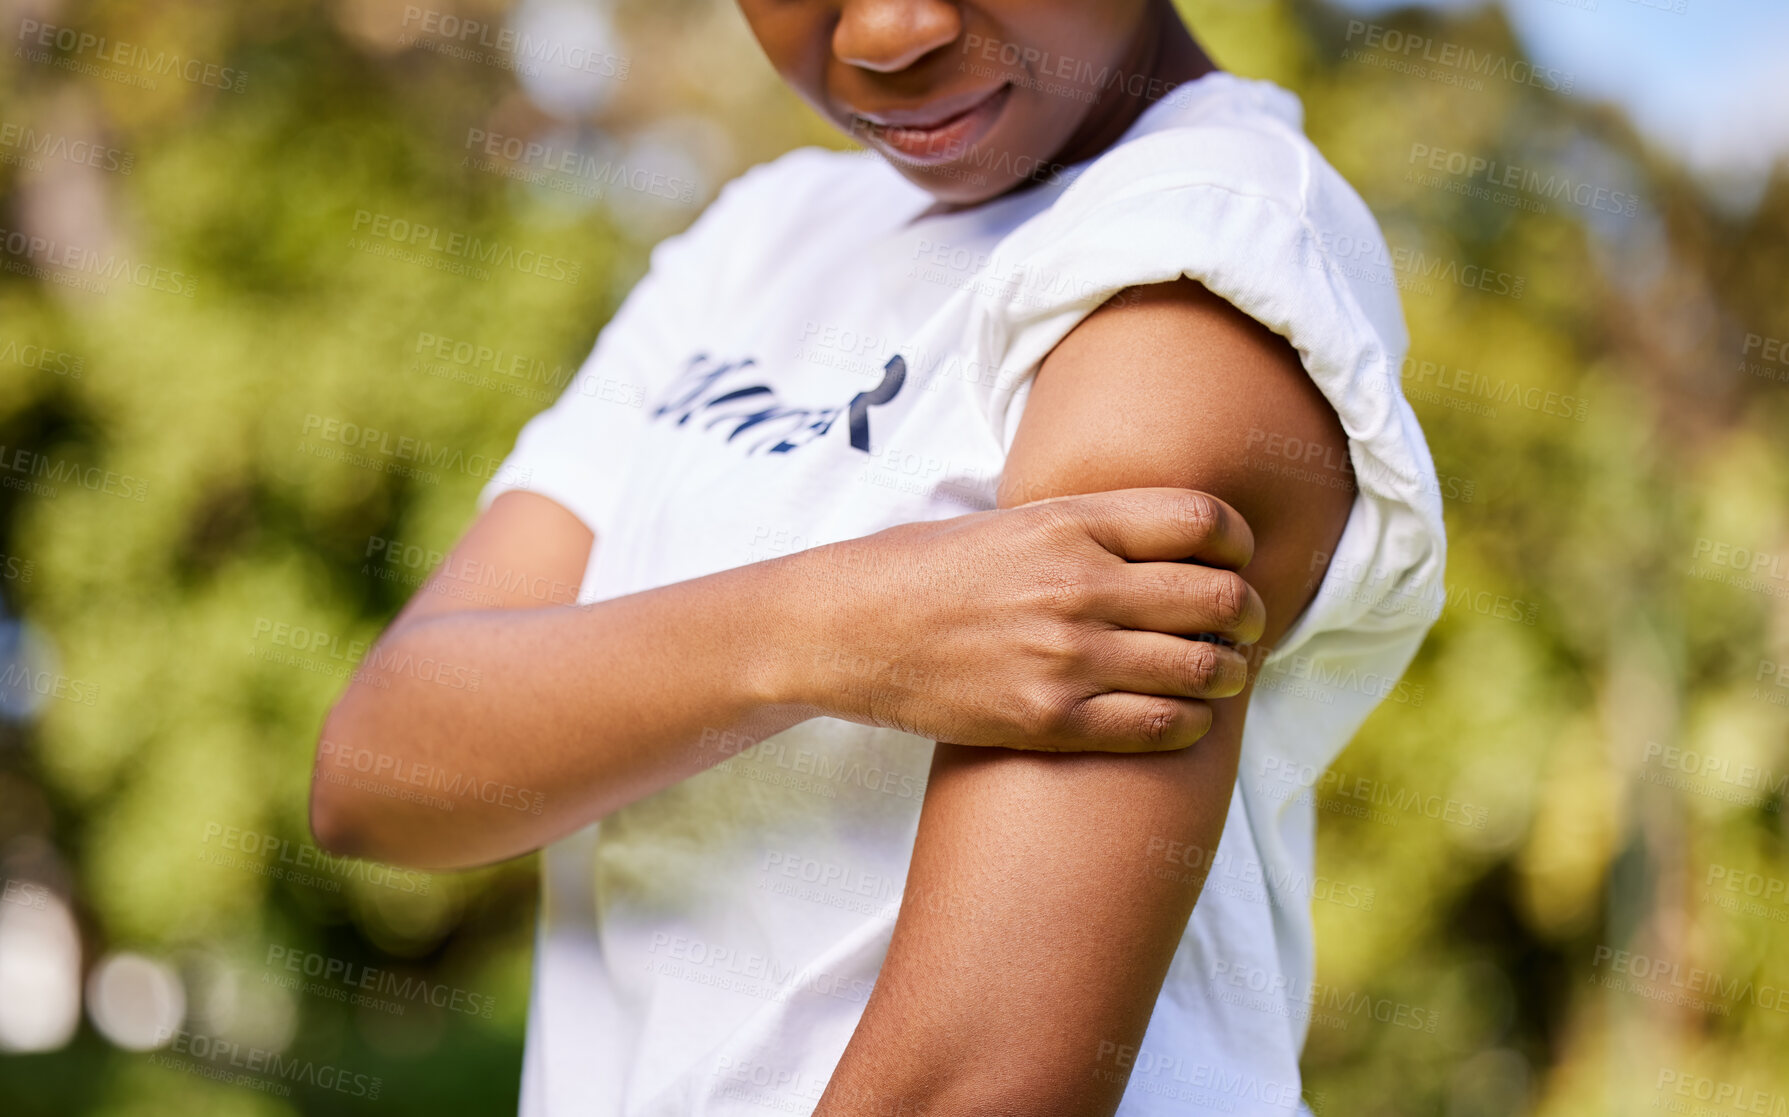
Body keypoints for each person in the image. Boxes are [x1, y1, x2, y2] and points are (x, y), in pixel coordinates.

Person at [310, 1, 1447, 1113]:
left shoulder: (1203, 255)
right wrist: (827, 629)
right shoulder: (765, 233)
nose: (884, 35)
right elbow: (381, 766)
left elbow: (971, 1085)